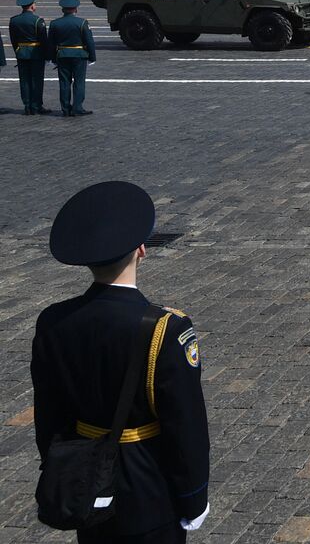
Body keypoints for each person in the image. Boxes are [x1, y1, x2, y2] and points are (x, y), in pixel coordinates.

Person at [32, 181, 211, 543]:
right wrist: (194, 498)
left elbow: (48, 412)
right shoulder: (165, 328)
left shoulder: (54, 321)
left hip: (86, 479)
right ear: (141, 250)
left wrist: (61, 469)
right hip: (149, 487)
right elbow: (186, 426)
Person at [49, 0, 96, 116]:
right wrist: (92, 57)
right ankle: (78, 107)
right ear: (76, 9)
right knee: (79, 82)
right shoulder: (82, 23)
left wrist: (53, 58)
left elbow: (51, 43)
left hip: (62, 55)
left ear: (62, 10)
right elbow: (89, 41)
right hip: (79, 55)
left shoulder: (55, 23)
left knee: (64, 82)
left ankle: (65, 108)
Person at [10, 0, 50, 114]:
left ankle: (27, 105)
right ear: (32, 6)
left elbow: (13, 40)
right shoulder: (38, 21)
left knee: (24, 80)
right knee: (36, 80)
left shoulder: (14, 20)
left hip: (21, 53)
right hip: (36, 53)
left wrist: (18, 51)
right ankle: (36, 105)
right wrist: (46, 55)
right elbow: (43, 40)